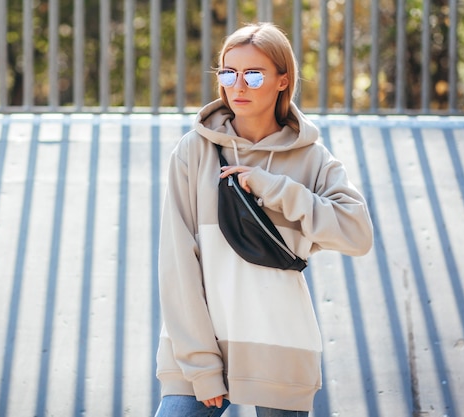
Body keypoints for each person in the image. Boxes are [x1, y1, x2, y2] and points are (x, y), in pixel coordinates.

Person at [154, 22, 373, 416]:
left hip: (281, 343)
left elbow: (357, 234)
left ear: (282, 80)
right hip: (199, 346)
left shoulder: (312, 158)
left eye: (253, 74)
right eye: (228, 72)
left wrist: (275, 188)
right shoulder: (194, 151)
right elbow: (177, 262)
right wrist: (201, 364)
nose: (238, 85)